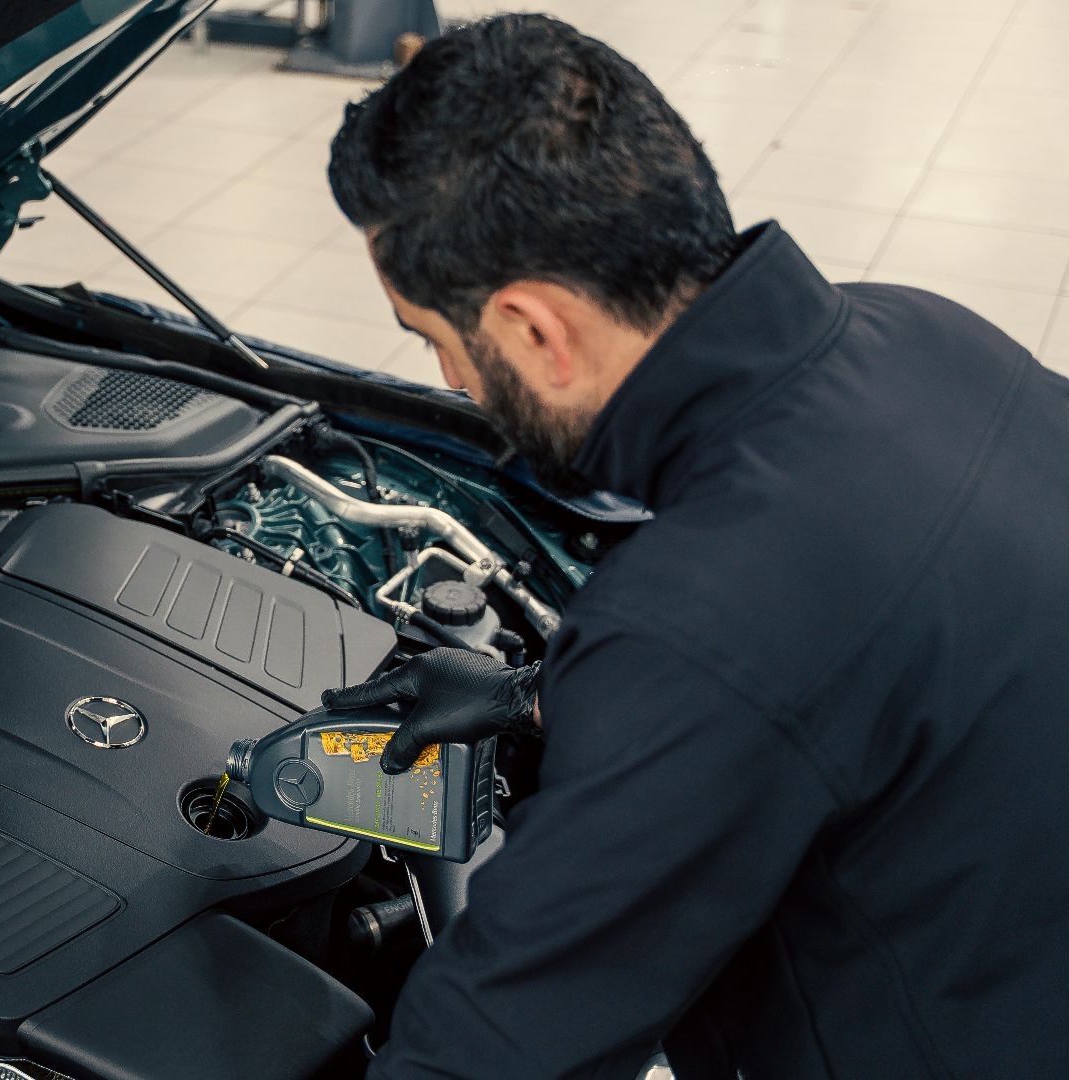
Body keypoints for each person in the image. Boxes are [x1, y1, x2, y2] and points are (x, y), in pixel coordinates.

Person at [321, 13, 1069, 1080]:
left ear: (536, 330)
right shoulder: (922, 332)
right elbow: (867, 669)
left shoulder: (701, 624)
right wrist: (537, 698)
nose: (450, 386)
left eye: (439, 342)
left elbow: (492, 1051)